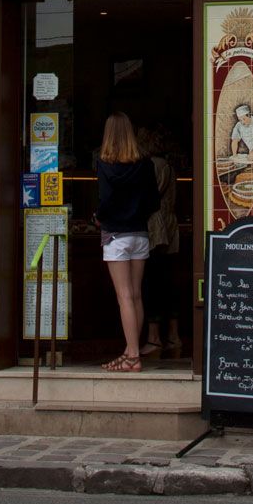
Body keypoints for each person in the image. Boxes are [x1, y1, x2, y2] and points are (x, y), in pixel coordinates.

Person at [92, 111, 158, 372]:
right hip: (139, 233)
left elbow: (105, 201)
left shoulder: (104, 164)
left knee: (124, 297)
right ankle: (132, 350)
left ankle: (132, 355)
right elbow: (154, 202)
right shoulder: (145, 164)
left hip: (116, 235)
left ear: (108, 135)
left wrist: (98, 217)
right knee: (136, 295)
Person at [140, 128, 184, 361]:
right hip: (170, 226)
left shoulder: (152, 165)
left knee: (152, 281)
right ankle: (174, 337)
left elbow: (147, 197)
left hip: (155, 230)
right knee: (169, 282)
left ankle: (154, 338)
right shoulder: (169, 165)